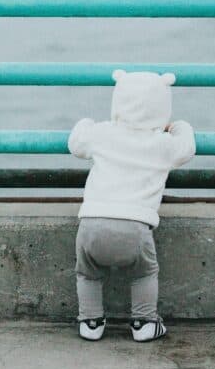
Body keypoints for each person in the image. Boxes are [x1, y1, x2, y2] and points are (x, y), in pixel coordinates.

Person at [68, 69, 195, 342]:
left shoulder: (103, 133)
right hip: (135, 229)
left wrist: (86, 122)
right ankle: (144, 323)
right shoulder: (162, 144)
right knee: (144, 274)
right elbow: (186, 148)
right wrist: (179, 126)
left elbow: (76, 144)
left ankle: (90, 323)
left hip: (91, 224)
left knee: (87, 275)